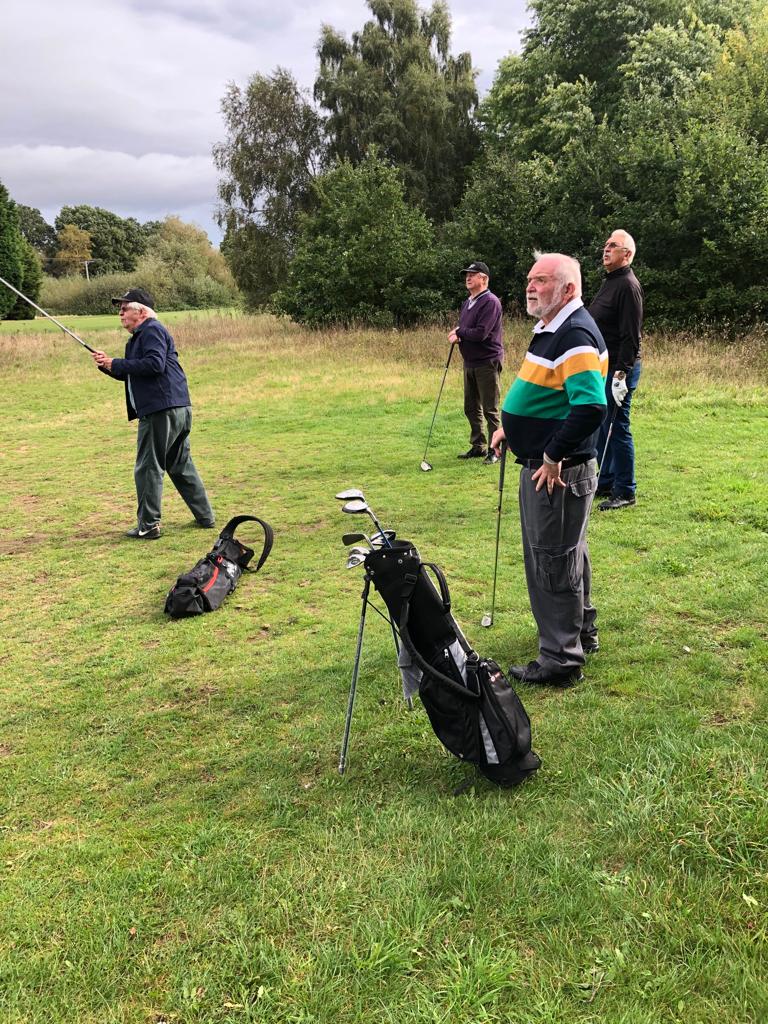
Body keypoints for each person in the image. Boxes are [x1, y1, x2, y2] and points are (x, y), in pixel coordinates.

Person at [490, 253, 607, 687]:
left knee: (552, 561)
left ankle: (560, 659)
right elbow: (543, 392)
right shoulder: (552, 327)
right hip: (549, 463)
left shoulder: (573, 332)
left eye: (541, 280)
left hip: (556, 472)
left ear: (569, 289)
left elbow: (591, 406)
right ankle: (581, 633)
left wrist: (552, 455)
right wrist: (509, 428)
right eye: (529, 280)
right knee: (567, 552)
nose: (531, 287)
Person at [90, 288, 214, 540]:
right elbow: (134, 372)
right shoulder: (140, 337)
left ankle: (148, 524)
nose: (120, 313)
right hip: (176, 406)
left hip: (160, 409)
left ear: (142, 311)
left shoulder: (152, 330)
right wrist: (108, 365)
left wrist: (118, 362)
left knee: (148, 466)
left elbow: (154, 364)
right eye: (119, 309)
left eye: (125, 308)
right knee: (179, 464)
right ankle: (205, 517)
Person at [588, 229, 644, 510]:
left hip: (620, 370)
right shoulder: (610, 281)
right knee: (603, 424)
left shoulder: (628, 286)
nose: (606, 249)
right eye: (606, 244)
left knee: (618, 427)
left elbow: (630, 336)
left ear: (627, 254)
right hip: (604, 366)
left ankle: (626, 490)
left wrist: (621, 374)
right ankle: (607, 480)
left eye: (613, 245)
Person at [448, 260, 504, 465]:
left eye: (473, 274)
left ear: (484, 279)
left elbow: (481, 333)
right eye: (467, 274)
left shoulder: (490, 302)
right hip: (470, 361)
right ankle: (478, 446)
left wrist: (459, 332)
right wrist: (460, 334)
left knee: (490, 409)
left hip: (487, 361)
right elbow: (468, 329)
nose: (468, 277)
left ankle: (495, 450)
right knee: (471, 407)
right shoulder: (468, 302)